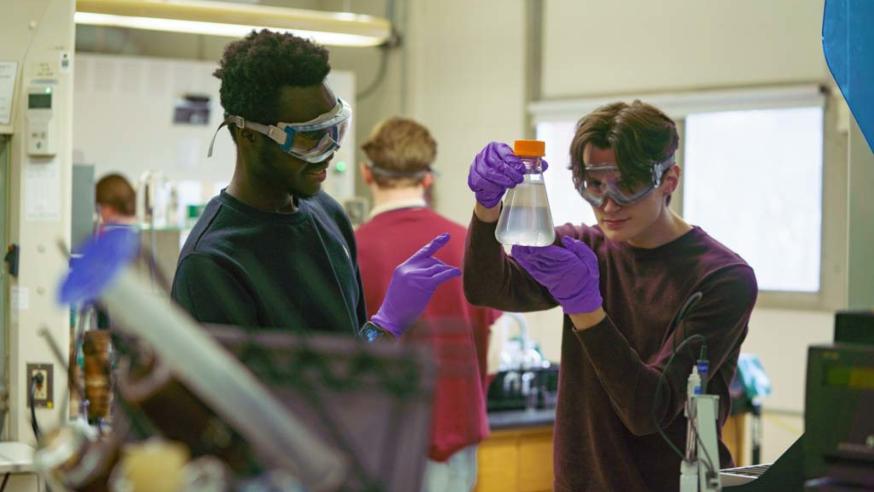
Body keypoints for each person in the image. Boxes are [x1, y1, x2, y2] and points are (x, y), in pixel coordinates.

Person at [463, 101, 758, 491]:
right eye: (594, 185)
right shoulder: (586, 248)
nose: (608, 203)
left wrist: (587, 310)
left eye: (628, 185)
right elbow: (486, 286)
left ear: (670, 179)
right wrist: (487, 209)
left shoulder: (721, 278)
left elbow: (647, 409)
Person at [171, 30, 458, 342]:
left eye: (336, 129)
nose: (330, 151)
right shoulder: (213, 264)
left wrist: (383, 325)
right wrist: (386, 327)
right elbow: (252, 392)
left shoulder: (327, 213)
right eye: (310, 138)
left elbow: (351, 361)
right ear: (249, 135)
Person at [354, 117, 500, 492]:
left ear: (367, 174)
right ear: (429, 178)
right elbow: (496, 353)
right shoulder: (470, 243)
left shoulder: (349, 250)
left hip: (378, 444)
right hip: (453, 442)